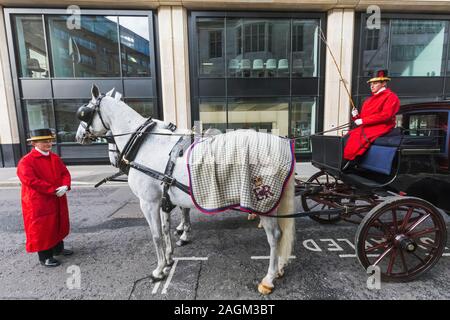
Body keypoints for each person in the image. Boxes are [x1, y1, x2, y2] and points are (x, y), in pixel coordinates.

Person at [16, 128, 73, 267]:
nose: (49, 144)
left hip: (56, 197)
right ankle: (45, 257)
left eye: (50, 141)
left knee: (58, 222)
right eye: (44, 141)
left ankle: (58, 249)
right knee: (43, 228)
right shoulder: (26, 161)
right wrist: (53, 190)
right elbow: (31, 181)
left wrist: (66, 185)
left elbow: (65, 173)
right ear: (34, 143)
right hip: (39, 201)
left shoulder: (54, 157)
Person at [343, 69, 400, 165]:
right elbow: (365, 118)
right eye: (370, 84)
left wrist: (362, 121)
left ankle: (353, 161)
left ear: (384, 83)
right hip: (369, 126)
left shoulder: (391, 97)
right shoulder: (368, 100)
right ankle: (350, 161)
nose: (372, 86)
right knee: (348, 135)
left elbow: (385, 116)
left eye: (375, 83)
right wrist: (356, 116)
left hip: (383, 126)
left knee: (357, 137)